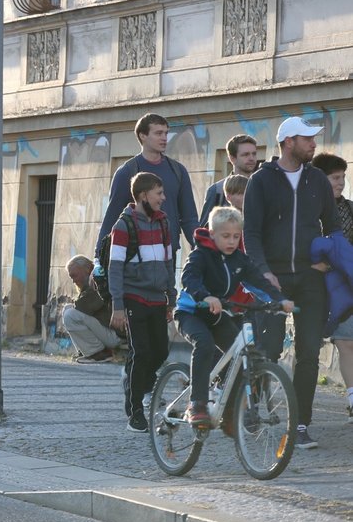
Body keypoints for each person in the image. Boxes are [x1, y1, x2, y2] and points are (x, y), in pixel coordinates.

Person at [244, 116, 335, 449]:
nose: (313, 144)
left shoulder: (318, 181)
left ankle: (300, 426)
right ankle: (255, 406)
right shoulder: (261, 181)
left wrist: (331, 259)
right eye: (307, 138)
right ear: (288, 142)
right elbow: (250, 234)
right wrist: (264, 271)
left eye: (313, 139)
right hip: (273, 278)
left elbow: (333, 229)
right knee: (268, 349)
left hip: (311, 279)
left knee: (309, 353)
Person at [175, 207, 292, 427]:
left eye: (236, 236)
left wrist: (279, 300)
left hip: (217, 315)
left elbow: (259, 281)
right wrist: (206, 296)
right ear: (212, 234)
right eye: (226, 236)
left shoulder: (239, 259)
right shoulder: (200, 255)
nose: (231, 241)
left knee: (241, 353)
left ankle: (229, 412)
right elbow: (189, 278)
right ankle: (197, 404)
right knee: (205, 343)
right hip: (191, 312)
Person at [107, 172, 175, 433]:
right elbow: (115, 267)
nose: (163, 198)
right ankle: (135, 412)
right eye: (159, 193)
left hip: (158, 299)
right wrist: (118, 305)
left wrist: (171, 297)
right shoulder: (124, 226)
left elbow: (169, 261)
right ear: (144, 195)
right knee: (142, 352)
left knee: (160, 352)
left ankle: (137, 377)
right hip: (133, 298)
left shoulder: (163, 222)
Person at [96, 113, 198, 254]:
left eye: (166, 133)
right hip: (135, 255)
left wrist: (199, 244)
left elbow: (189, 217)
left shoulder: (178, 171)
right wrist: (98, 257)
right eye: (158, 133)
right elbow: (112, 217)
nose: (164, 138)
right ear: (143, 136)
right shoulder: (127, 171)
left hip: (168, 251)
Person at [311, 152, 353, 422]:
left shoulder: (350, 209)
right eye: (335, 178)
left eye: (343, 177)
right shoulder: (308, 209)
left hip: (346, 285)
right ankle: (300, 410)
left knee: (346, 342)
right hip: (316, 287)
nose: (341, 183)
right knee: (311, 350)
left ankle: (351, 399)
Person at [62, 255, 123, 364]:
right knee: (67, 309)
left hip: (116, 335)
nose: (74, 281)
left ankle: (98, 354)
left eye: (74, 276)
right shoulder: (91, 282)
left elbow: (83, 306)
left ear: (87, 269)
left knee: (70, 315)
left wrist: (91, 284)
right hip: (108, 331)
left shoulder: (99, 281)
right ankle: (86, 351)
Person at [199, 134, 258, 225]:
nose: (251, 158)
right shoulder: (217, 190)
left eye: (254, 154)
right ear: (232, 158)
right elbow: (203, 232)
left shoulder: (263, 186)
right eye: (245, 154)